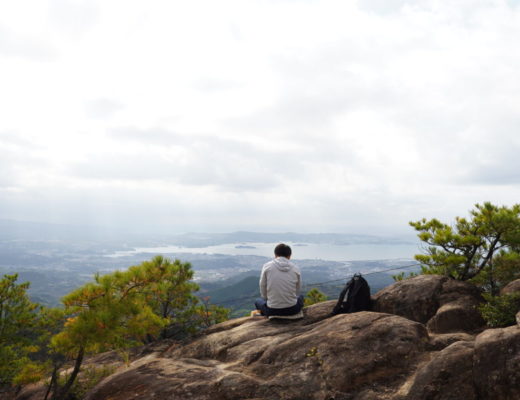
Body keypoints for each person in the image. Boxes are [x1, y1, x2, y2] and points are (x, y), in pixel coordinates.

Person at [254, 243, 304, 317]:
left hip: (272, 310)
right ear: (289, 256)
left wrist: (267, 299)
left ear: (275, 255)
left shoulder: (267, 266)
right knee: (301, 297)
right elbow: (297, 290)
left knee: (257, 301)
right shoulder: (295, 268)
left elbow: (262, 286)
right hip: (293, 309)